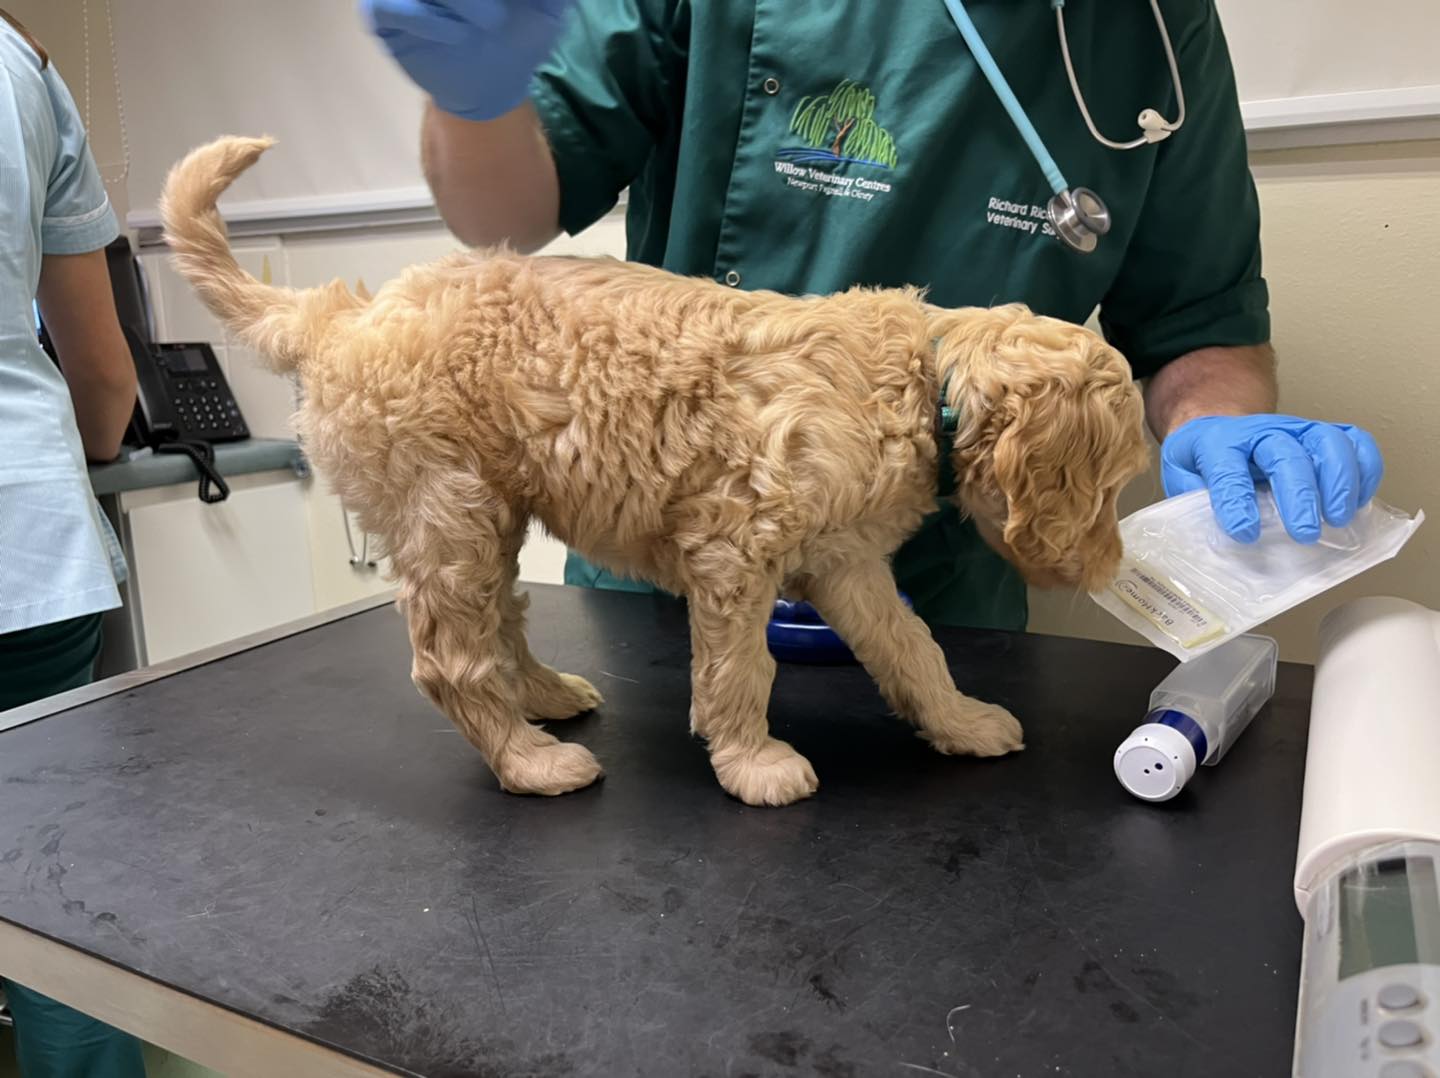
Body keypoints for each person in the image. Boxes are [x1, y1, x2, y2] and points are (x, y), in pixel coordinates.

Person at [361, 0, 1384, 631]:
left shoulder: (1155, 27)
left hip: (940, 603)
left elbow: (1200, 323)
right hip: (666, 583)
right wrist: (474, 98)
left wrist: (1218, 423)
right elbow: (500, 214)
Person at [0, 9, 147, 1077]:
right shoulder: (23, 67)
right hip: (29, 545)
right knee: (60, 920)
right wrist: (84, 462)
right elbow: (102, 371)